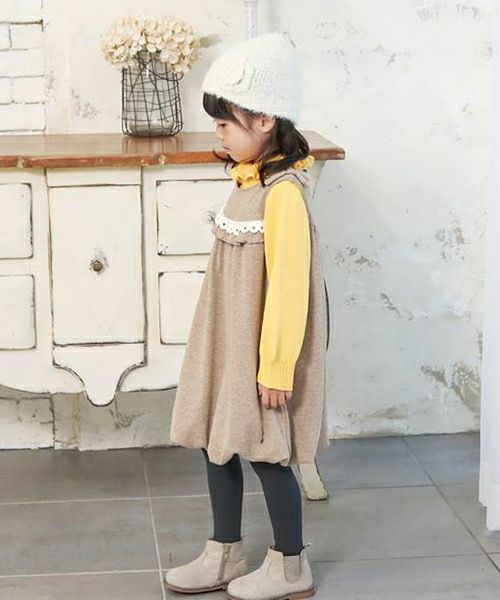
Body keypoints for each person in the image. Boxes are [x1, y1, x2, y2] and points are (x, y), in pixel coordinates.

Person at [164, 32, 331, 600]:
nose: (218, 133)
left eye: (225, 123)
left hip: (261, 354)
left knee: (266, 452)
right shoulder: (247, 181)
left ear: (264, 120)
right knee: (216, 440)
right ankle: (224, 552)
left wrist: (276, 366)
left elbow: (289, 288)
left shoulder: (283, 193)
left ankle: (291, 566)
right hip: (227, 345)